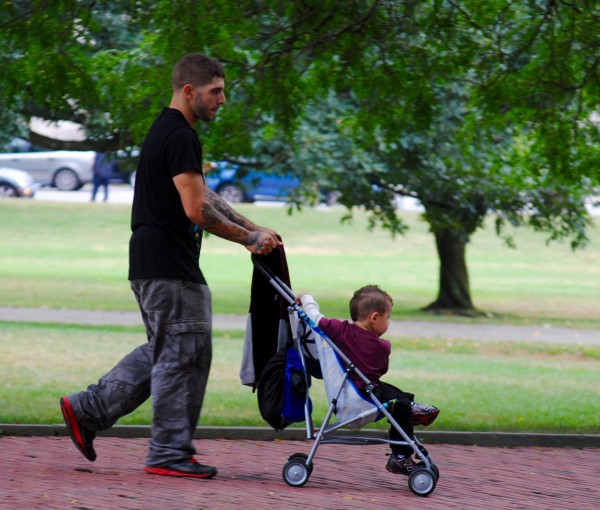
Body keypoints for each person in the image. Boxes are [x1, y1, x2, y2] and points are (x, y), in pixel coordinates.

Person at [60, 53, 281, 479]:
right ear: (189, 90)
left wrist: (254, 227)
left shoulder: (170, 132)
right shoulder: (179, 135)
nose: (222, 99)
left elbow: (204, 194)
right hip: (168, 264)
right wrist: (248, 240)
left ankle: (86, 410)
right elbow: (197, 209)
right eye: (215, 91)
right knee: (184, 355)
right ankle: (168, 453)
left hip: (153, 261)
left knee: (169, 350)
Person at [296, 285, 440, 476]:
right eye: (387, 317)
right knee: (399, 403)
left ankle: (410, 407)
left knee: (397, 398)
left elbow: (315, 318)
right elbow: (381, 370)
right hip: (362, 402)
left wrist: (306, 298)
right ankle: (401, 456)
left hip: (344, 397)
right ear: (374, 318)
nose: (388, 322)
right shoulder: (381, 346)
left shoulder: (339, 330)